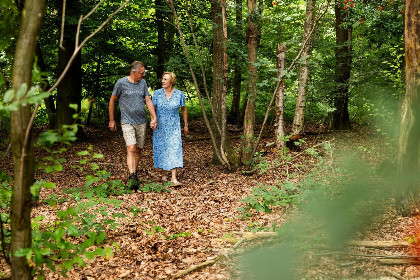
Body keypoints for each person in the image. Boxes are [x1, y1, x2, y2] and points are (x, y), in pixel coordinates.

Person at [109, 61, 157, 191]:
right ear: (134, 72)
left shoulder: (143, 83)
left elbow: (148, 100)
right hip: (127, 121)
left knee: (138, 150)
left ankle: (134, 173)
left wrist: (154, 117)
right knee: (131, 147)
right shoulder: (121, 83)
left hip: (141, 121)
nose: (144, 75)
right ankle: (132, 176)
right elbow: (112, 100)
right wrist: (112, 120)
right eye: (142, 73)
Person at [152, 72, 188, 186]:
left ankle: (173, 177)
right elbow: (152, 109)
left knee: (174, 149)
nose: (163, 81)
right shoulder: (157, 94)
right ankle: (163, 174)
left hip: (174, 127)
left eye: (165, 79)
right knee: (163, 148)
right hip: (160, 126)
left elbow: (184, 109)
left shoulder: (179, 94)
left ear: (171, 82)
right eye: (162, 79)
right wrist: (153, 119)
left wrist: (186, 124)